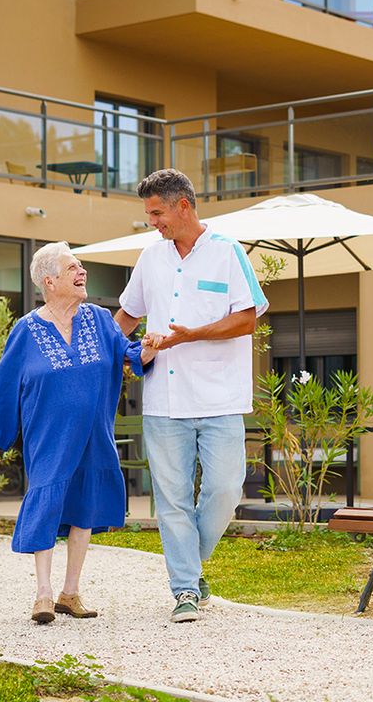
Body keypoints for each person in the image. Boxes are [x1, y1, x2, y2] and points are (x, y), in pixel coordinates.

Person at [115, 169, 268, 623]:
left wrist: (192, 335)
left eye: (157, 213)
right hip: (164, 400)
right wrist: (95, 349)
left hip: (219, 400)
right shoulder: (151, 258)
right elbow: (126, 316)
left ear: (183, 205)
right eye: (149, 215)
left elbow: (247, 320)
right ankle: (185, 588)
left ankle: (191, 566)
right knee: (172, 500)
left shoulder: (227, 252)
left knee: (224, 491)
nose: (153, 223)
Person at [0, 241, 156, 624]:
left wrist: (147, 350)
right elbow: (4, 385)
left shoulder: (98, 319)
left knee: (85, 506)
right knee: (46, 501)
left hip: (94, 433)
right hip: (49, 434)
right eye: (73, 268)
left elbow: (127, 355)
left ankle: (70, 592)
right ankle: (42, 594)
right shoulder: (26, 331)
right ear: (50, 280)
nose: (83, 273)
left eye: (81, 267)